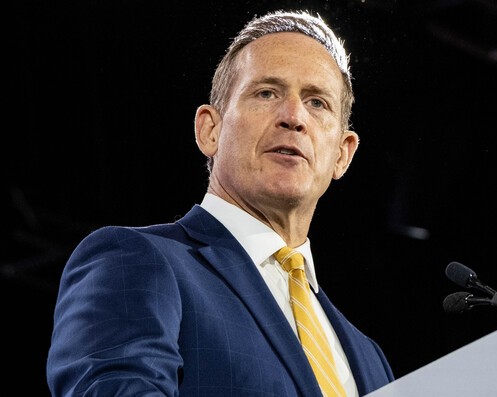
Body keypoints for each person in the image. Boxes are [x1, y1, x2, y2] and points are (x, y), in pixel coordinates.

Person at [46, 9, 394, 396]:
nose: (294, 117)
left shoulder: (369, 358)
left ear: (343, 154)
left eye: (317, 103)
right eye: (266, 93)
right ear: (209, 129)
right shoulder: (138, 261)